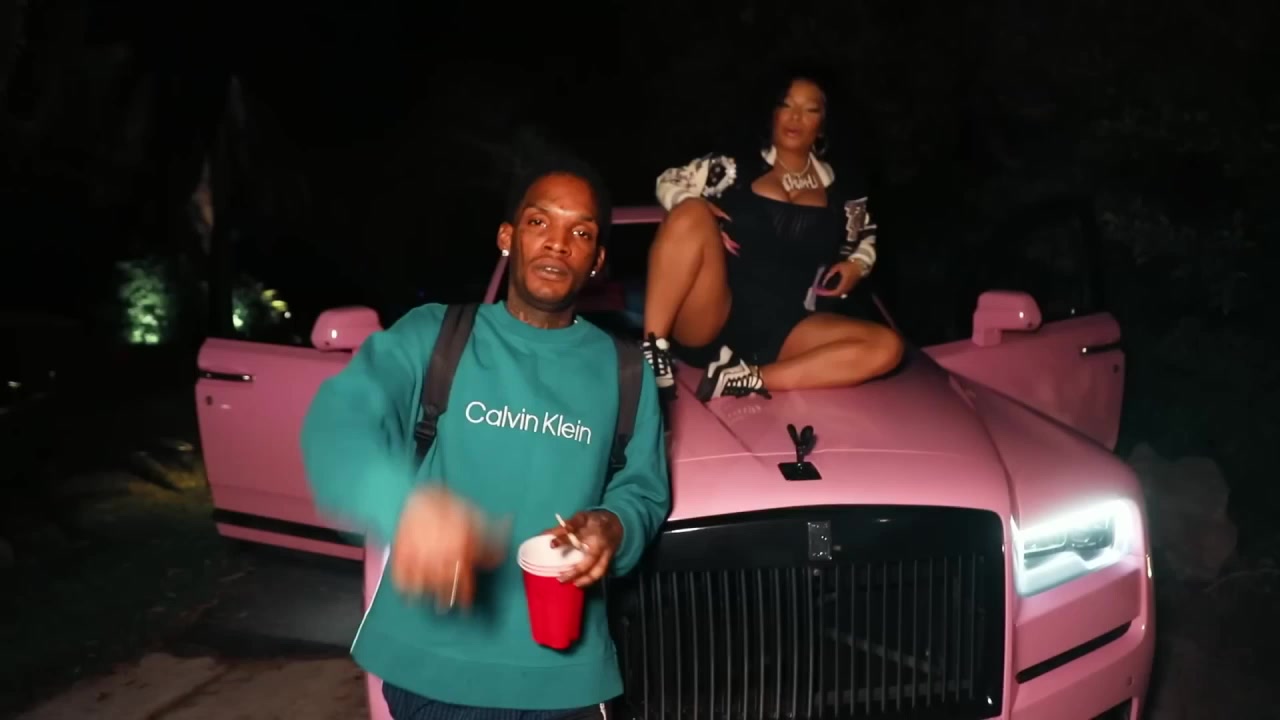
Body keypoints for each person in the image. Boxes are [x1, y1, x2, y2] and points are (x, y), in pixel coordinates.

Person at [300, 139, 671, 719]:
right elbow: (339, 421)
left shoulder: (626, 371)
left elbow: (643, 489)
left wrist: (613, 525)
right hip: (436, 670)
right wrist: (402, 506)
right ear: (507, 237)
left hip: (565, 679)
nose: (557, 242)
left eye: (580, 232)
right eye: (539, 222)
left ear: (597, 259)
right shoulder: (435, 335)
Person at [641, 69, 904, 401]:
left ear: (823, 123)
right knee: (691, 209)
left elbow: (865, 235)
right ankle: (652, 352)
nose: (795, 117)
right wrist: (698, 212)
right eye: (786, 105)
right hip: (714, 314)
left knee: (887, 346)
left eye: (810, 109)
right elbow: (669, 181)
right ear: (772, 113)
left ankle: (743, 378)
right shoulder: (731, 167)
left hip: (789, 328)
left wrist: (857, 265)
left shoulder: (842, 189)